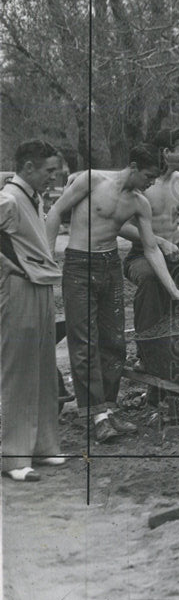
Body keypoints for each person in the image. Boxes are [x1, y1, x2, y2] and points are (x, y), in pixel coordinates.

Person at [45, 144, 179, 442]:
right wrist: (47, 262)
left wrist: (175, 291)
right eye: (149, 176)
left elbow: (151, 248)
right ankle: (95, 416)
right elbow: (55, 213)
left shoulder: (140, 203)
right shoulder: (92, 180)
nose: (151, 183)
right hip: (78, 265)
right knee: (84, 340)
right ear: (134, 166)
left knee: (114, 341)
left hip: (110, 266)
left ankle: (109, 410)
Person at [1, 141, 64, 481]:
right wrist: (13, 268)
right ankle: (13, 457)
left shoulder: (34, 197)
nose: (52, 177)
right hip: (19, 288)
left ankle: (42, 446)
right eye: (48, 171)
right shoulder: (8, 198)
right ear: (27, 168)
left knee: (42, 366)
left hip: (41, 285)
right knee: (19, 369)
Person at [121, 130, 179, 336]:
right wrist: (159, 242)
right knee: (150, 281)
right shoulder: (141, 180)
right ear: (166, 152)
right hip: (142, 253)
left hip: (177, 252)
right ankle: (146, 352)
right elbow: (121, 226)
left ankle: (174, 354)